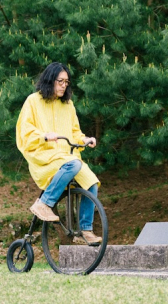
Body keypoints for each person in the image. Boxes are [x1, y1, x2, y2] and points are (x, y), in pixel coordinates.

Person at [15, 62, 102, 245]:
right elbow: (25, 131)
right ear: (50, 80)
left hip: (66, 157)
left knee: (91, 182)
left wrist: (85, 140)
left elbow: (75, 133)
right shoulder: (33, 101)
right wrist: (44, 136)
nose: (64, 85)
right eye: (60, 81)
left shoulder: (68, 105)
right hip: (44, 157)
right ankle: (43, 203)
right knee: (74, 164)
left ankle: (85, 231)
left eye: (66, 82)